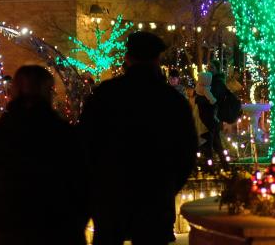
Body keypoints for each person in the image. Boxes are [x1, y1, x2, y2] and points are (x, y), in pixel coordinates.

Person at [80, 32, 198, 245]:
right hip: (155, 194)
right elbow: (187, 151)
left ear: (128, 58)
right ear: (157, 59)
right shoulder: (171, 100)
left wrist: (97, 184)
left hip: (111, 195)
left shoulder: (106, 94)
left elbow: (86, 143)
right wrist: (168, 184)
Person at [0, 65, 87, 245]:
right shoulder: (65, 134)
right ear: (48, 91)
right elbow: (83, 184)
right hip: (58, 229)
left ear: (15, 91)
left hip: (7, 229)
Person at [194, 72, 220, 157]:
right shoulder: (206, 90)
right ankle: (209, 159)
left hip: (199, 116)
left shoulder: (198, 88)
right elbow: (212, 100)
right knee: (209, 139)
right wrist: (214, 102)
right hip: (206, 119)